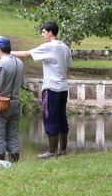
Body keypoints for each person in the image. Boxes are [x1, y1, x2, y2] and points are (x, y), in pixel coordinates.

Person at [11, 21, 72, 158]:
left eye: (44, 32)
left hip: (51, 88)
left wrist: (8, 52)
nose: (42, 34)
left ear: (51, 32)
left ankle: (51, 151)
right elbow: (68, 64)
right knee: (61, 117)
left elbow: (27, 54)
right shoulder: (65, 47)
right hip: (63, 88)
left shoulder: (50, 47)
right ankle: (62, 149)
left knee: (49, 117)